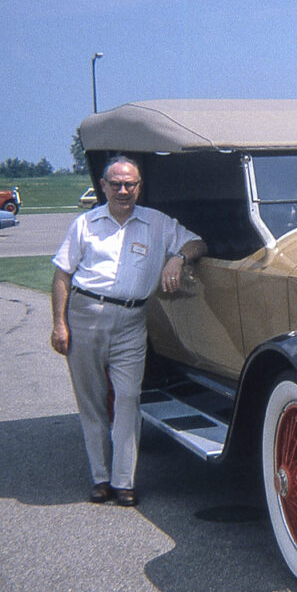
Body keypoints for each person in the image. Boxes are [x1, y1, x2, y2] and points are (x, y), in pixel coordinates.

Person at [50, 156, 207, 506]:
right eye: (116, 184)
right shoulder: (84, 224)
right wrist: (59, 323)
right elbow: (62, 274)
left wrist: (178, 257)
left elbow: (198, 242)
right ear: (103, 186)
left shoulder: (157, 223)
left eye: (130, 184)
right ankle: (100, 479)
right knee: (92, 403)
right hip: (85, 316)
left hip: (132, 322)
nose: (123, 191)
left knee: (128, 398)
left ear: (139, 187)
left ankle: (124, 482)